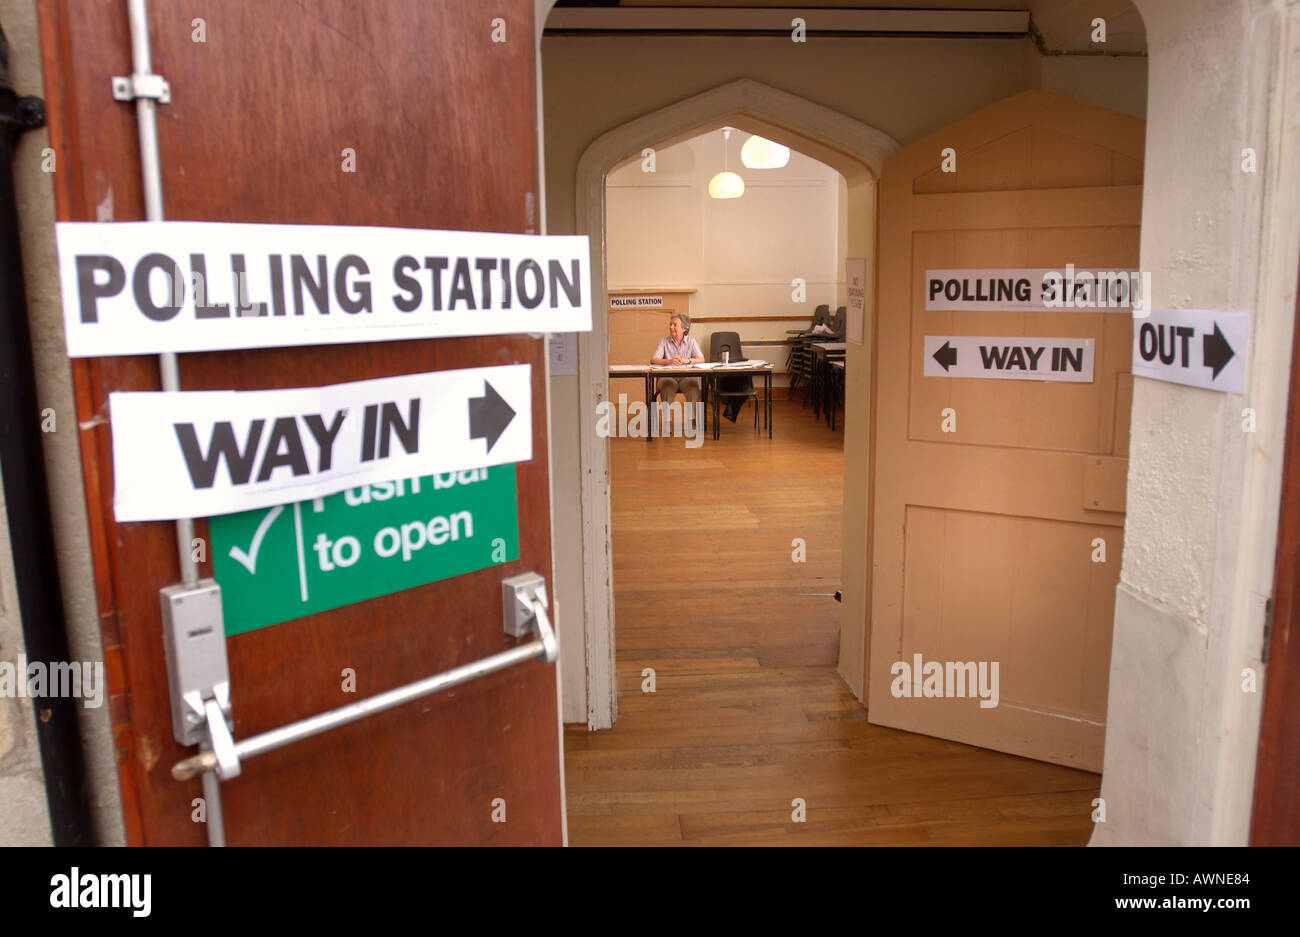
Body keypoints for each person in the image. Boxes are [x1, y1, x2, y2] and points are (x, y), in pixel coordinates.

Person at [650, 314, 704, 418]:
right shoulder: (664, 341)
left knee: (693, 387)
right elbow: (653, 359)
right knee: (667, 387)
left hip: (686, 376)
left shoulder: (691, 341)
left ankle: (691, 420)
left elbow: (701, 359)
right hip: (668, 376)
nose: (671, 327)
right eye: (670, 324)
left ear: (684, 328)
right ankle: (667, 422)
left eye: (675, 325)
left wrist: (687, 360)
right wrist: (669, 361)